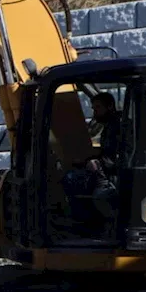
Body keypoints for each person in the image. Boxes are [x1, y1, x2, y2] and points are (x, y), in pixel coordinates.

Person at [62, 92, 123, 231]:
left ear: (110, 106)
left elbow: (116, 156)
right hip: (107, 168)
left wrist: (95, 162)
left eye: (98, 108)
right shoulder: (109, 125)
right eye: (93, 108)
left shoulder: (118, 126)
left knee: (72, 180)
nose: (95, 112)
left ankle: (86, 224)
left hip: (113, 173)